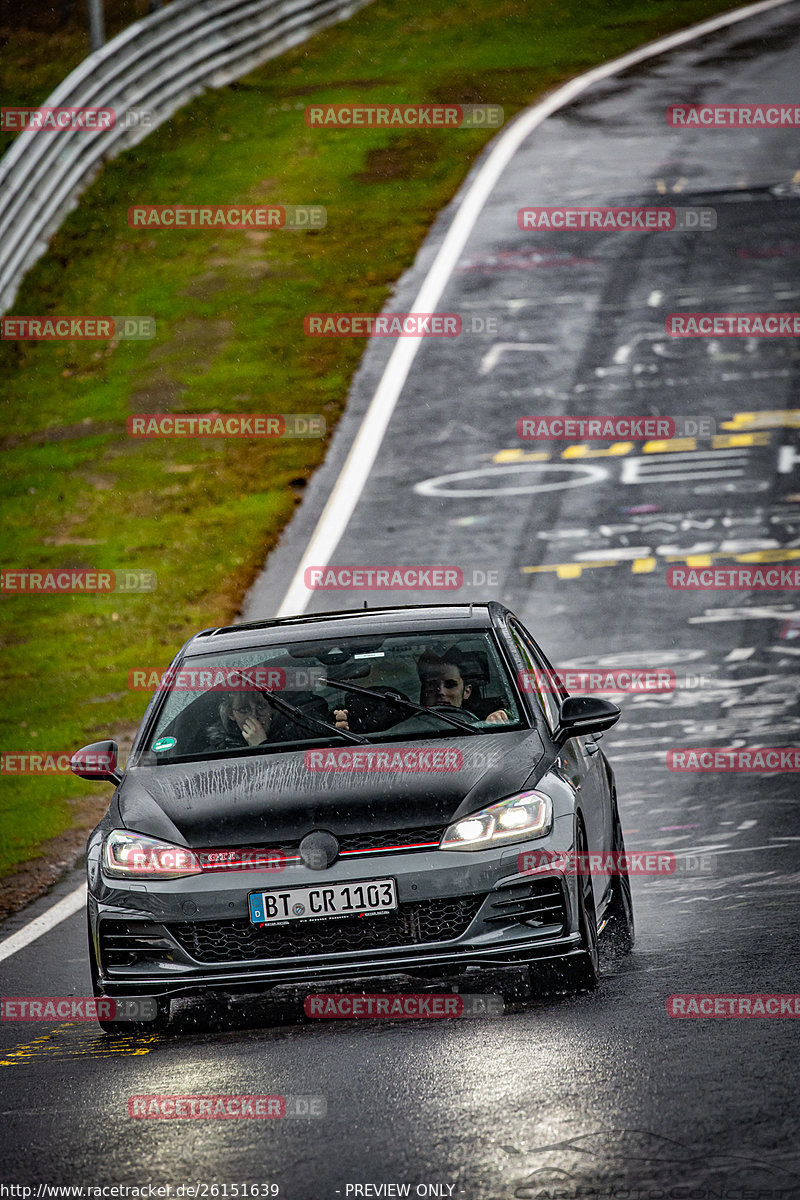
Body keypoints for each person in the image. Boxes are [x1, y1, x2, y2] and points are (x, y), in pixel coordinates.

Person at [416, 649, 510, 724]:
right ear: (424, 690)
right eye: (431, 685)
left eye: (450, 685)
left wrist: (499, 718)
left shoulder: (483, 722)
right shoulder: (406, 726)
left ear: (466, 691)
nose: (441, 692)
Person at [206, 691, 273, 751]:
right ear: (230, 714)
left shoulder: (283, 739)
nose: (254, 716)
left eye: (262, 706)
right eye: (243, 709)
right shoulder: (218, 753)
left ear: (272, 709)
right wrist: (261, 746)